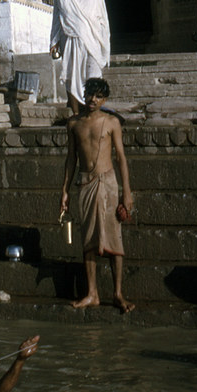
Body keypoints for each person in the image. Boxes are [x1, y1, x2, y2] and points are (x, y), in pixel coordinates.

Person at [60, 77, 134, 313]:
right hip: (85, 183)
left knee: (114, 239)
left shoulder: (112, 122)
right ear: (85, 95)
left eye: (98, 96)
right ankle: (92, 293)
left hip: (108, 184)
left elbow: (121, 158)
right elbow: (71, 159)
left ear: (105, 99)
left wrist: (127, 192)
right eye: (90, 95)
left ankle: (118, 293)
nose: (93, 100)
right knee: (88, 239)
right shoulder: (74, 124)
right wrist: (64, 191)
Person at [50, 0, 110, 115]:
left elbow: (101, 13)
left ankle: (93, 115)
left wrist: (103, 37)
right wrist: (54, 40)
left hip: (92, 38)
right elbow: (58, 13)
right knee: (71, 76)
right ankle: (76, 116)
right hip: (69, 37)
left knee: (93, 77)